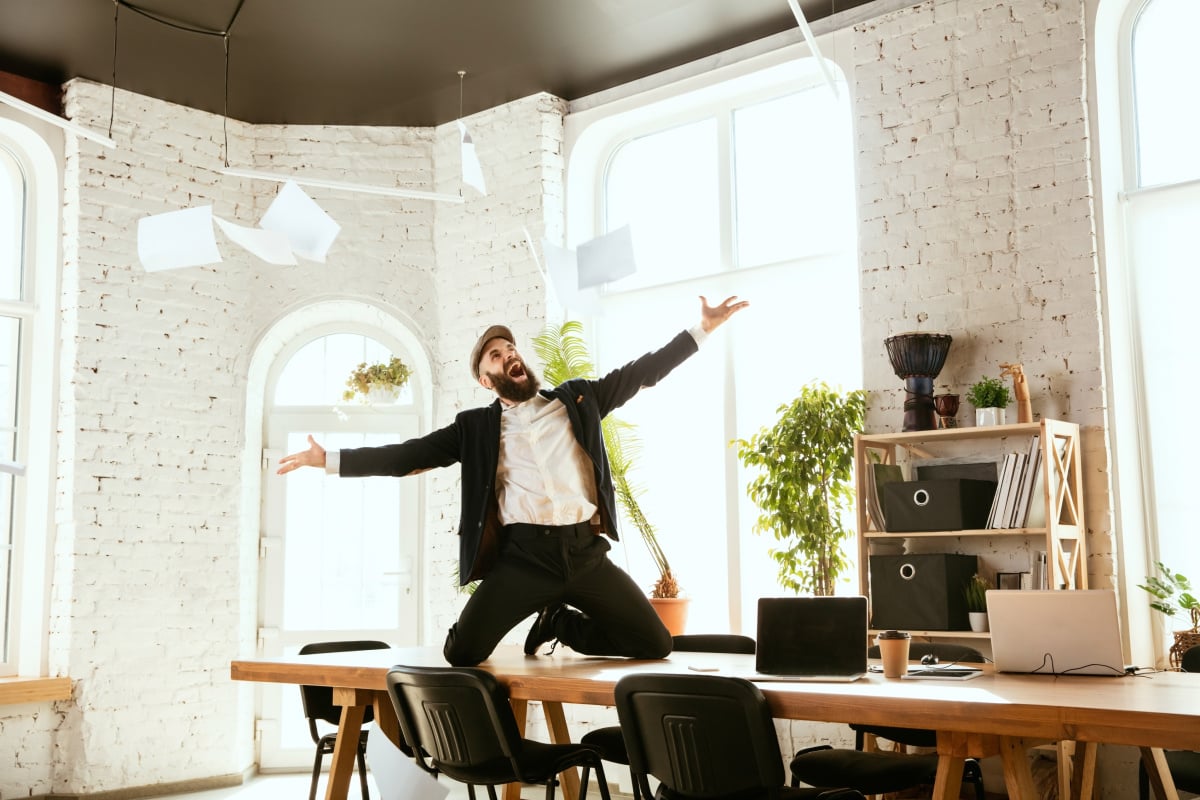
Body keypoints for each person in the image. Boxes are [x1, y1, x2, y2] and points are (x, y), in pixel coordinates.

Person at [277, 295, 749, 666]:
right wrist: (329, 459)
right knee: (461, 653)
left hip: (585, 554)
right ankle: (546, 612)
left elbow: (641, 373)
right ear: (487, 381)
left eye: (510, 349)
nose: (509, 356)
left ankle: (561, 624)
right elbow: (409, 455)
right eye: (496, 357)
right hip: (525, 559)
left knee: (654, 643)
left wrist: (701, 330)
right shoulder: (476, 429)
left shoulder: (578, 401)